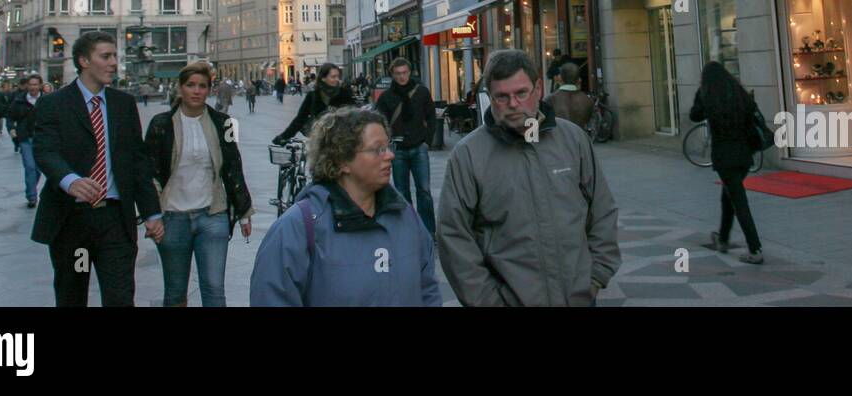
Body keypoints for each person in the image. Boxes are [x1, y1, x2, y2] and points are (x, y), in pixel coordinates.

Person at [437, 49, 620, 306]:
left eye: (521, 93)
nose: (513, 104)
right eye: (502, 97)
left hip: (578, 297)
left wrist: (595, 277)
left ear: (538, 89)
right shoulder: (468, 155)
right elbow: (453, 237)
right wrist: (488, 302)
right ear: (490, 97)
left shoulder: (573, 139)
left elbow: (601, 210)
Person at [250, 106, 440, 306]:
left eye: (388, 146)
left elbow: (427, 289)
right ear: (342, 161)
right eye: (378, 149)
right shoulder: (297, 229)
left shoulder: (406, 216)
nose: (390, 156)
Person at [30, 31, 164, 306]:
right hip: (72, 222)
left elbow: (137, 161)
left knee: (120, 296)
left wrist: (151, 212)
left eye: (114, 55)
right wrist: (69, 179)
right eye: (105, 56)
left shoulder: (122, 104)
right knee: (72, 295)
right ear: (84, 61)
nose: (113, 62)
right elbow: (45, 150)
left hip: (114, 220)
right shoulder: (54, 104)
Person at [144, 61, 253, 307]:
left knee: (214, 289)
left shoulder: (223, 122)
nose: (196, 91)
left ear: (209, 90)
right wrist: (152, 213)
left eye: (202, 86)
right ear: (180, 88)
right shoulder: (161, 124)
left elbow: (233, 167)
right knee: (174, 291)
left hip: (212, 216)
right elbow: (148, 172)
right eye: (190, 85)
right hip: (172, 216)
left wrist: (244, 212)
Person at [689, 61, 765, 265]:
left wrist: (702, 96)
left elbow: (694, 115)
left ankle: (755, 248)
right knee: (729, 196)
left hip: (725, 156)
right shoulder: (737, 90)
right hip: (745, 154)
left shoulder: (708, 94)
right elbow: (753, 111)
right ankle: (722, 239)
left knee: (739, 201)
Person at [375, 58, 437, 235]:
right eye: (398, 74)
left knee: (424, 191)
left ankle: (428, 231)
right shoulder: (387, 97)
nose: (402, 77)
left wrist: (427, 140)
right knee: (402, 192)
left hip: (419, 147)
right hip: (398, 150)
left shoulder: (421, 92)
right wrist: (387, 142)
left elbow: (431, 116)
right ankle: (409, 230)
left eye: (404, 73)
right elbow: (380, 121)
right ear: (392, 75)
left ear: (410, 73)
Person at [274, 62, 354, 145]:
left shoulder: (344, 93)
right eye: (333, 77)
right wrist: (284, 136)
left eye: (338, 76)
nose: (337, 79)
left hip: (341, 142)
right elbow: (300, 118)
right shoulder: (313, 95)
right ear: (323, 78)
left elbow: (355, 115)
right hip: (319, 142)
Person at [6, 74, 45, 207]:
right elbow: (10, 117)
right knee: (29, 166)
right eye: (31, 84)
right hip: (25, 138)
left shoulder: (47, 100)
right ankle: (32, 197)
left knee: (39, 169)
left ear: (40, 85)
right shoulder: (19, 101)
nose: (33, 87)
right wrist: (12, 130)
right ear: (27, 86)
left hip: (41, 139)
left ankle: (31, 189)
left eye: (35, 84)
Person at [546, 62, 594, 130]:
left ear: (560, 78)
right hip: (580, 138)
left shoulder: (550, 100)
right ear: (578, 79)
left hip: (559, 139)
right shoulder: (588, 101)